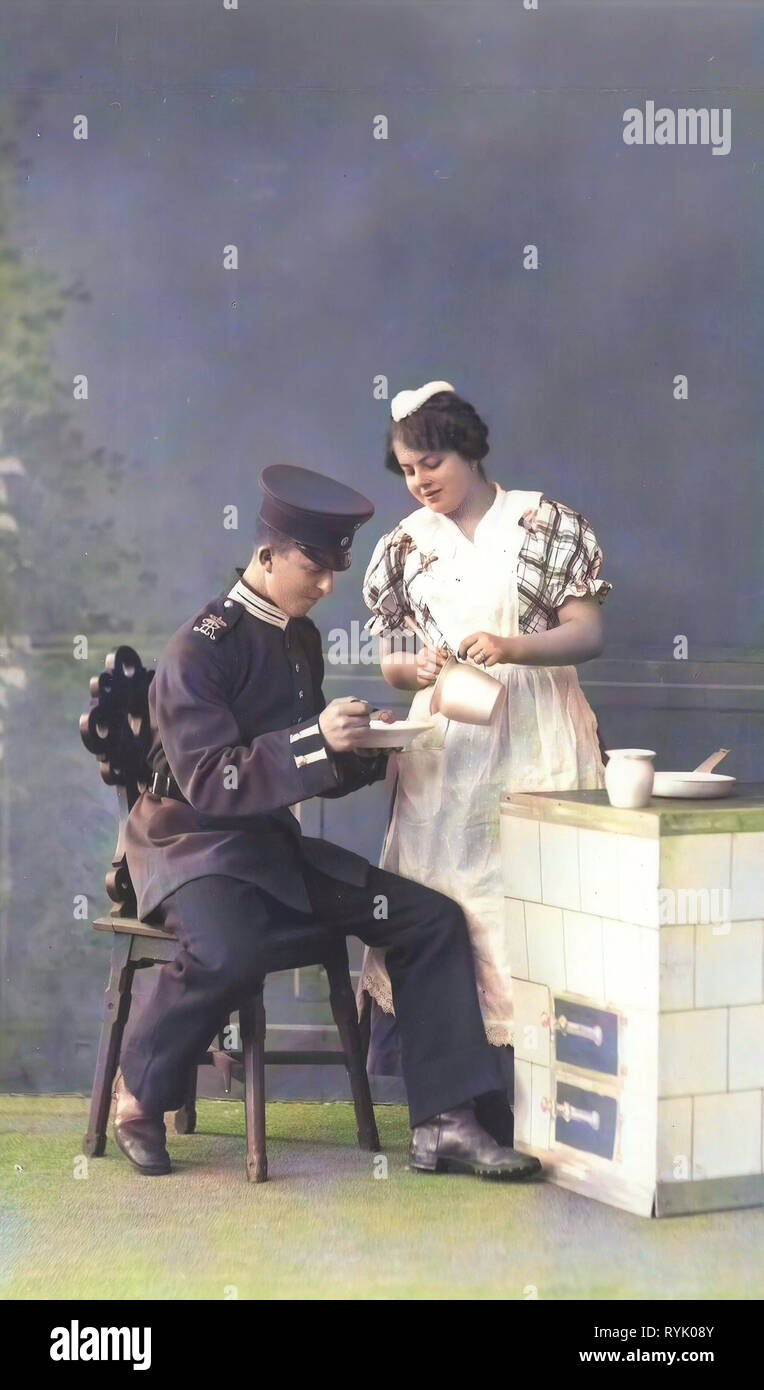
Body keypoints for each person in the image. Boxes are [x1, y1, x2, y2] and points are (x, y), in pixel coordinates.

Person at [114, 462, 542, 1183]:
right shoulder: (201, 647)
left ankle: (445, 1122)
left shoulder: (298, 639)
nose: (325, 585)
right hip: (188, 846)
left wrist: (368, 744)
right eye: (313, 567)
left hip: (264, 848)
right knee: (229, 947)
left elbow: (303, 769)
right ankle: (140, 1097)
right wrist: (317, 739)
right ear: (269, 554)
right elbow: (214, 783)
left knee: (430, 918)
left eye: (333, 569)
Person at [358, 382, 612, 1139]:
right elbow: (391, 664)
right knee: (451, 909)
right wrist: (420, 668)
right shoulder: (404, 547)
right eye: (406, 469)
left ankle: (558, 1110)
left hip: (539, 738)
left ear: (468, 448)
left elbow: (587, 633)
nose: (420, 481)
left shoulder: (544, 524)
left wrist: (513, 648)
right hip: (448, 747)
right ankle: (459, 1107)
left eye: (430, 462)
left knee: (538, 907)